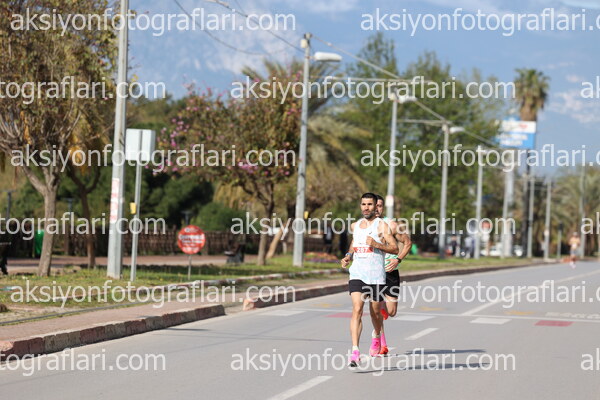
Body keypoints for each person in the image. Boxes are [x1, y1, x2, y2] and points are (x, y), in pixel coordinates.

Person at [341, 193, 398, 367]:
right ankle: (355, 351)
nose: (366, 207)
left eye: (370, 204)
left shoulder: (382, 226)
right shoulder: (356, 225)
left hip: (376, 276)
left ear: (375, 206)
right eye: (363, 204)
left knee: (375, 312)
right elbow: (354, 243)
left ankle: (376, 335)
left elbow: (395, 248)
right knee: (357, 309)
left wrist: (376, 244)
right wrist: (348, 256)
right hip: (357, 274)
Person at [374, 195, 412, 355]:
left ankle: (381, 307)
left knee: (391, 311)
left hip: (391, 271)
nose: (377, 209)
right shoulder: (364, 226)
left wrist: (398, 259)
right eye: (374, 205)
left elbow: (407, 243)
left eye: (380, 206)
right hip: (374, 272)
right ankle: (380, 342)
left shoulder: (392, 225)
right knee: (376, 309)